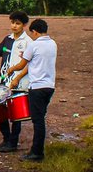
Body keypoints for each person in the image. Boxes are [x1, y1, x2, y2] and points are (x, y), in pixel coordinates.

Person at [7, 19, 56, 161]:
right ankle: (37, 150)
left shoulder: (34, 45)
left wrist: (11, 69)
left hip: (37, 87)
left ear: (34, 32)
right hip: (49, 86)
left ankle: (37, 152)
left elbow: (22, 65)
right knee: (41, 117)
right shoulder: (52, 44)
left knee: (38, 121)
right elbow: (37, 60)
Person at [0, 11, 30, 153]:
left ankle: (13, 142)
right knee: (1, 112)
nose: (14, 26)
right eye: (12, 23)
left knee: (16, 114)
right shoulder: (7, 39)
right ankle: (6, 139)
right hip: (4, 81)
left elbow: (29, 64)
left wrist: (18, 78)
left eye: (18, 23)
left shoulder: (28, 42)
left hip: (18, 82)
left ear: (24, 25)